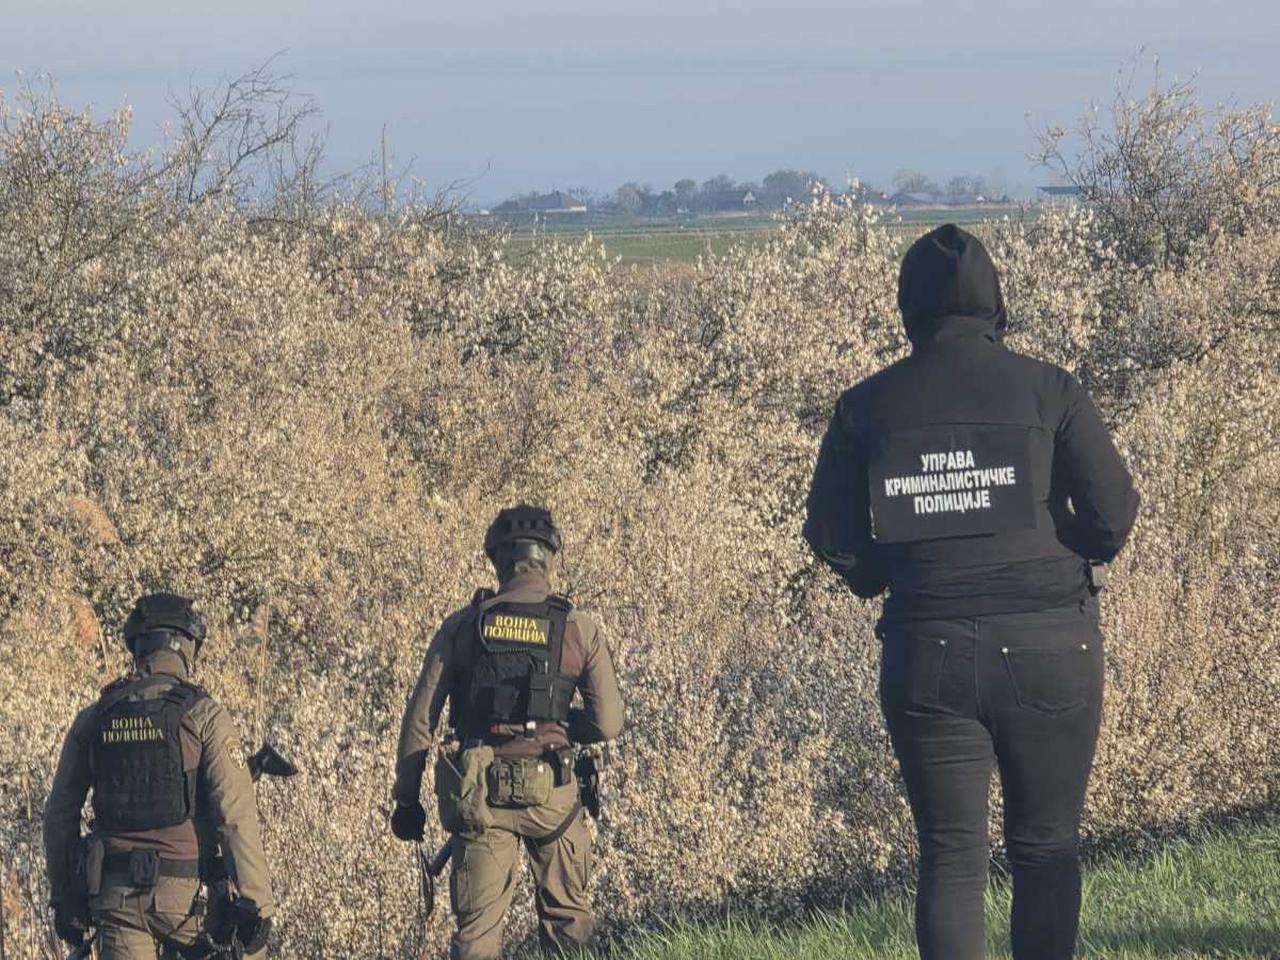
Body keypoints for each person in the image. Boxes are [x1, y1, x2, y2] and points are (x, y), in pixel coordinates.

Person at [804, 224, 1139, 960]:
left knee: (951, 857)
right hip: (1053, 641)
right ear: (995, 302)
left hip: (928, 651)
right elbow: (1114, 512)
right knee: (1046, 849)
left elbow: (831, 534)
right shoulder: (1051, 389)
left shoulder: (867, 405)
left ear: (908, 308)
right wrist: (1068, 547)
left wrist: (882, 575)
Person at [391, 505, 624, 960]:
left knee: (476, 935)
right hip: (554, 796)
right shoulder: (578, 628)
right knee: (569, 925)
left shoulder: (464, 626)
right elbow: (608, 722)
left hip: (482, 799)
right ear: (549, 559)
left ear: (497, 561)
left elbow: (421, 719)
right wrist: (558, 724)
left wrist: (406, 801)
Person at [43, 592, 275, 959]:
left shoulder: (95, 717)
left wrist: (63, 897)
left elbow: (59, 814)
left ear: (137, 647)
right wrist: (256, 907)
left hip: (116, 899)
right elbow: (236, 815)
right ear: (188, 646)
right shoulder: (204, 716)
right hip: (189, 902)